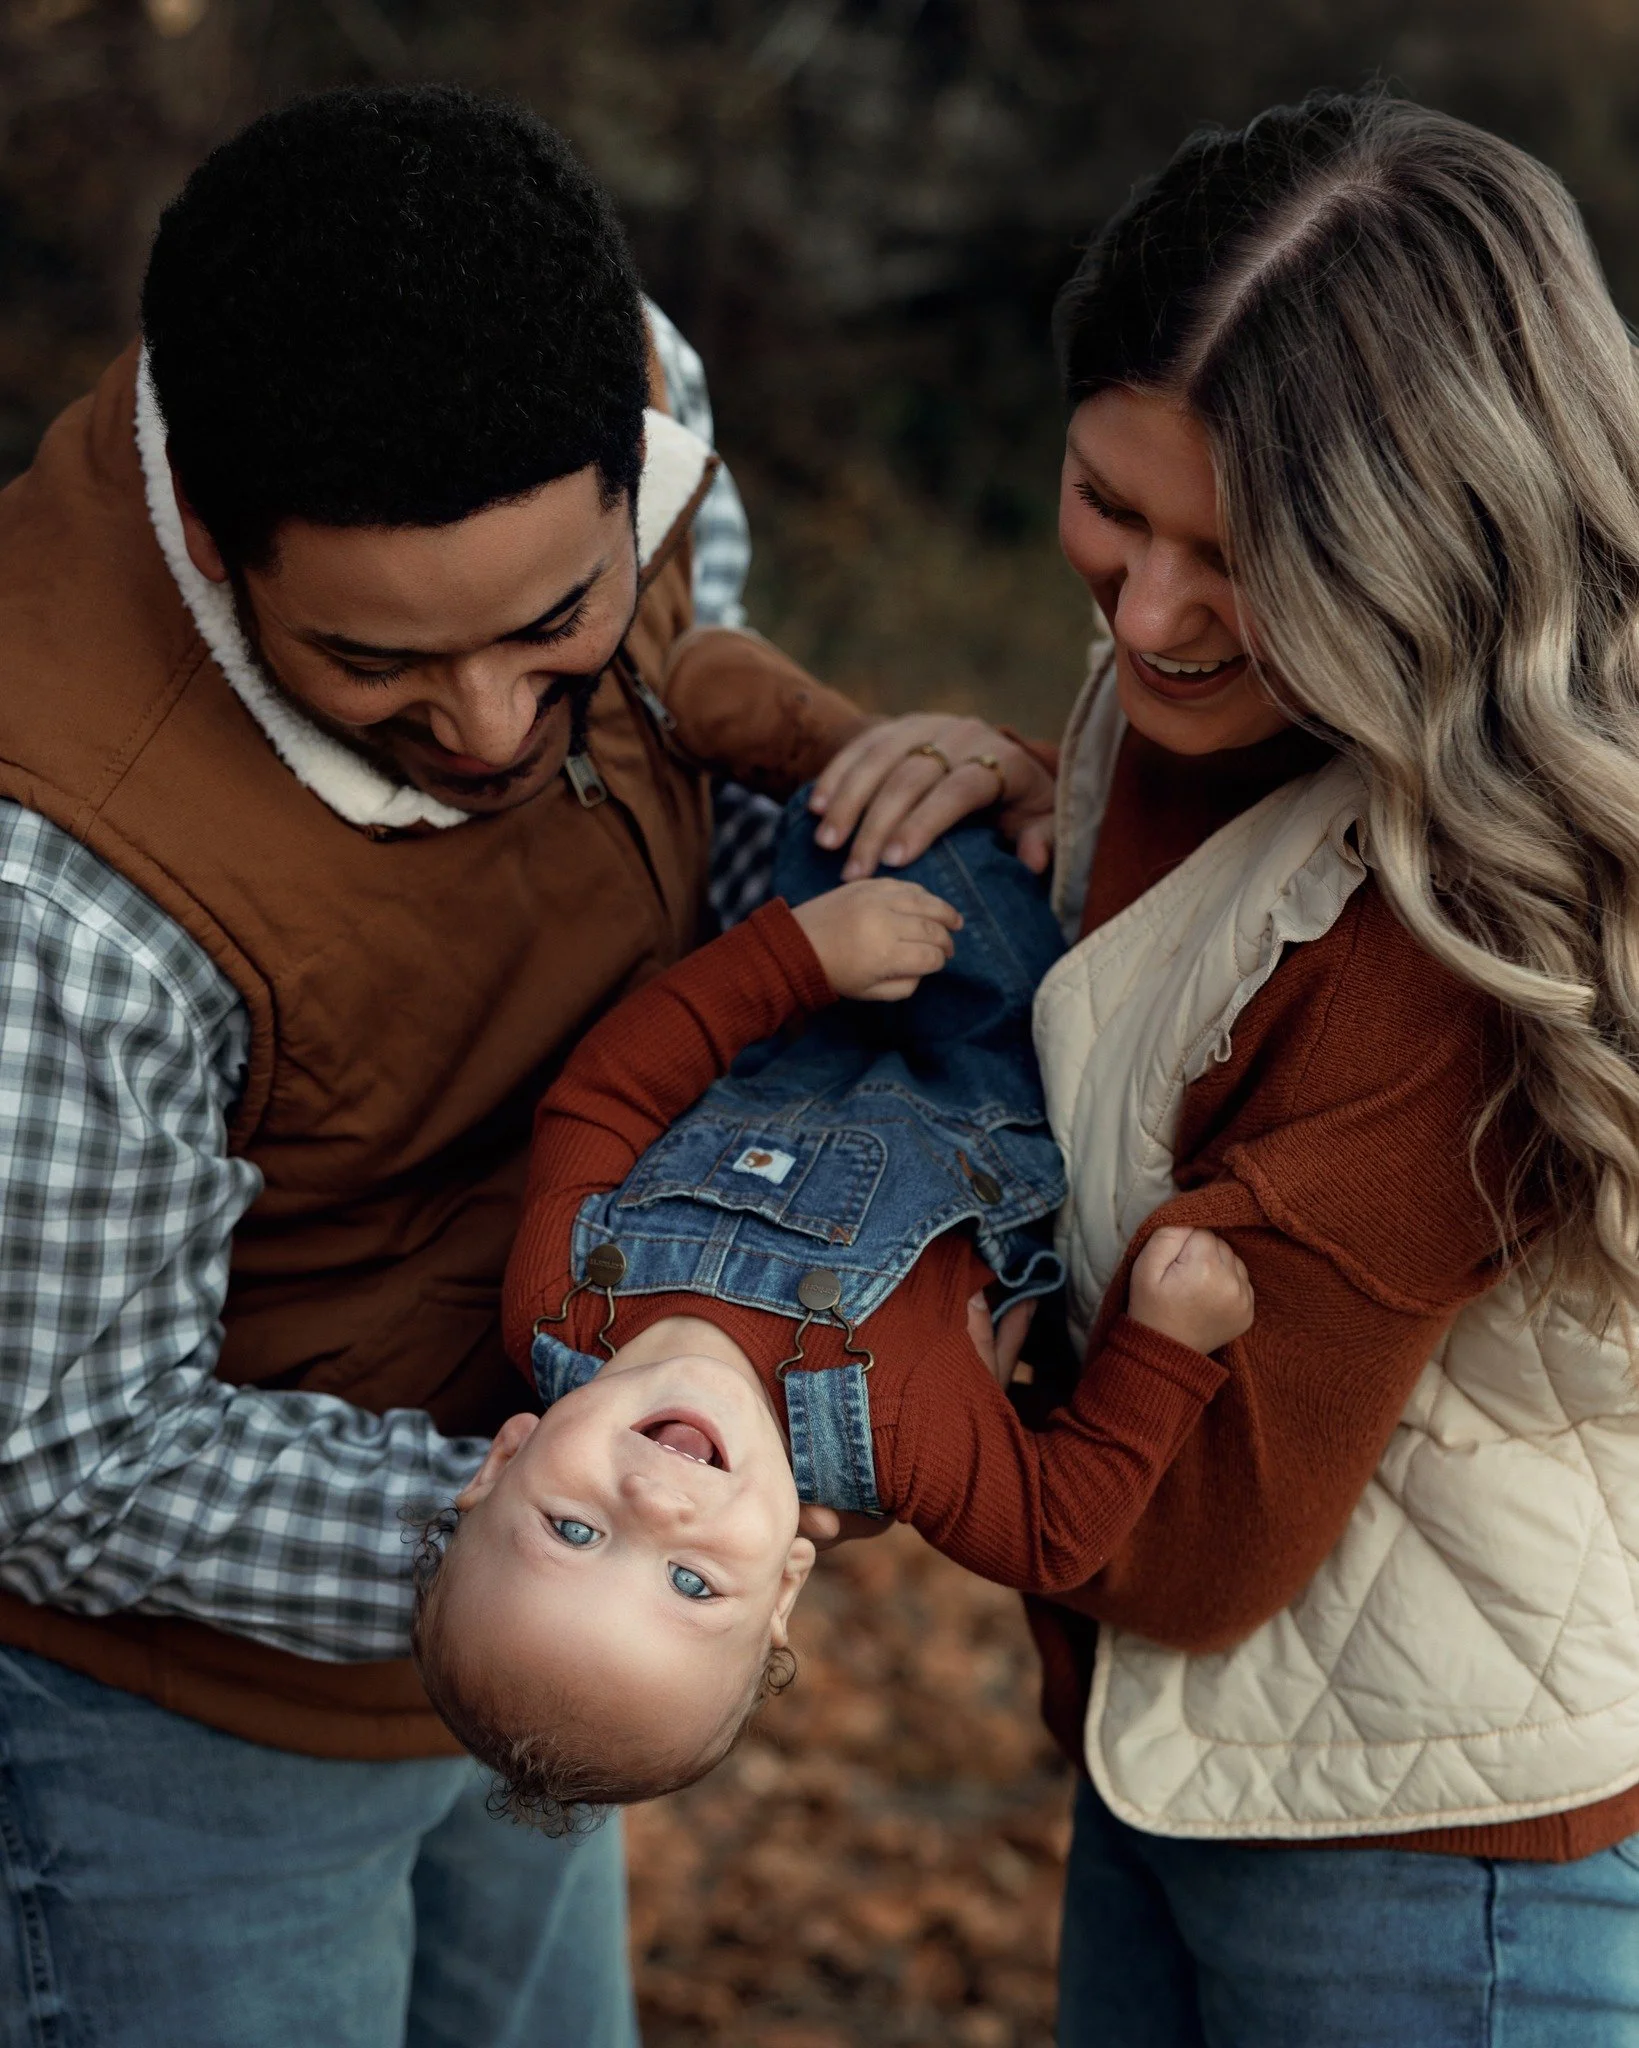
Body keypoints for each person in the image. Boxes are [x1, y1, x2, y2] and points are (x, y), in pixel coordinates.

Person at [0, 85, 1054, 2047]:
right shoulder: (55, 899)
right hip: (194, 1729)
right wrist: (612, 1524)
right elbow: (56, 1460)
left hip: (538, 1656)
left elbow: (671, 745)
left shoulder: (631, 382)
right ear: (215, 544)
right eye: (380, 669)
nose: (488, 726)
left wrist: (895, 812)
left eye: (550, 621)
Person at [939, 89, 1639, 2047]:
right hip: (1193, 1765)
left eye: (1237, 556)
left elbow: (1197, 1540)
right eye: (1110, 504)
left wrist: (869, 1381)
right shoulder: (1215, 697)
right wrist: (974, 817)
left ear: (1422, 546)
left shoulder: (1440, 948)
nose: (1149, 613)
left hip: (1431, 1870)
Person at [408, 799, 1252, 1824]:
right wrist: (1164, 1346)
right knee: (1008, 847)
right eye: (689, 1583)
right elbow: (1054, 1531)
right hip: (1007, 1036)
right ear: (783, 1584)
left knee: (850, 816)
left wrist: (791, 958)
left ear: (501, 1458)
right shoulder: (898, 1437)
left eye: (574, 1528)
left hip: (807, 1002)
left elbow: (604, 1096)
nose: (655, 1507)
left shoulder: (561, 1299)